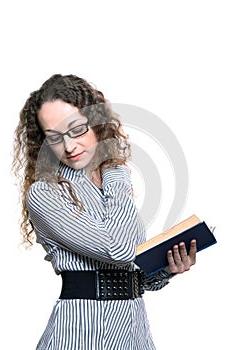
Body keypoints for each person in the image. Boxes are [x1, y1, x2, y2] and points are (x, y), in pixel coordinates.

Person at [12, 74, 197, 350]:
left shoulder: (107, 182)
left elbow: (131, 272)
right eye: (55, 137)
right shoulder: (45, 193)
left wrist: (166, 269)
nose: (69, 146)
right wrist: (117, 171)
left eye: (76, 129)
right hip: (80, 335)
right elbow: (118, 249)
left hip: (133, 334)